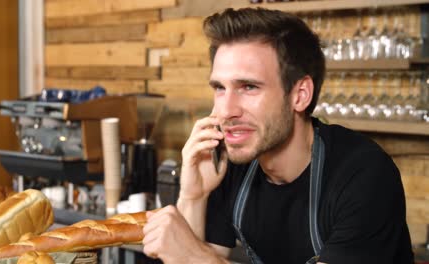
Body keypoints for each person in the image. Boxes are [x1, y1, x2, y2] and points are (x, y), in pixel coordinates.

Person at [142, 7, 414, 264]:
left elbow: (195, 258)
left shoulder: (363, 174)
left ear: (300, 95)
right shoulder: (232, 162)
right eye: (219, 88)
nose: (226, 111)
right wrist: (194, 195)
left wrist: (195, 258)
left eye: (248, 87)